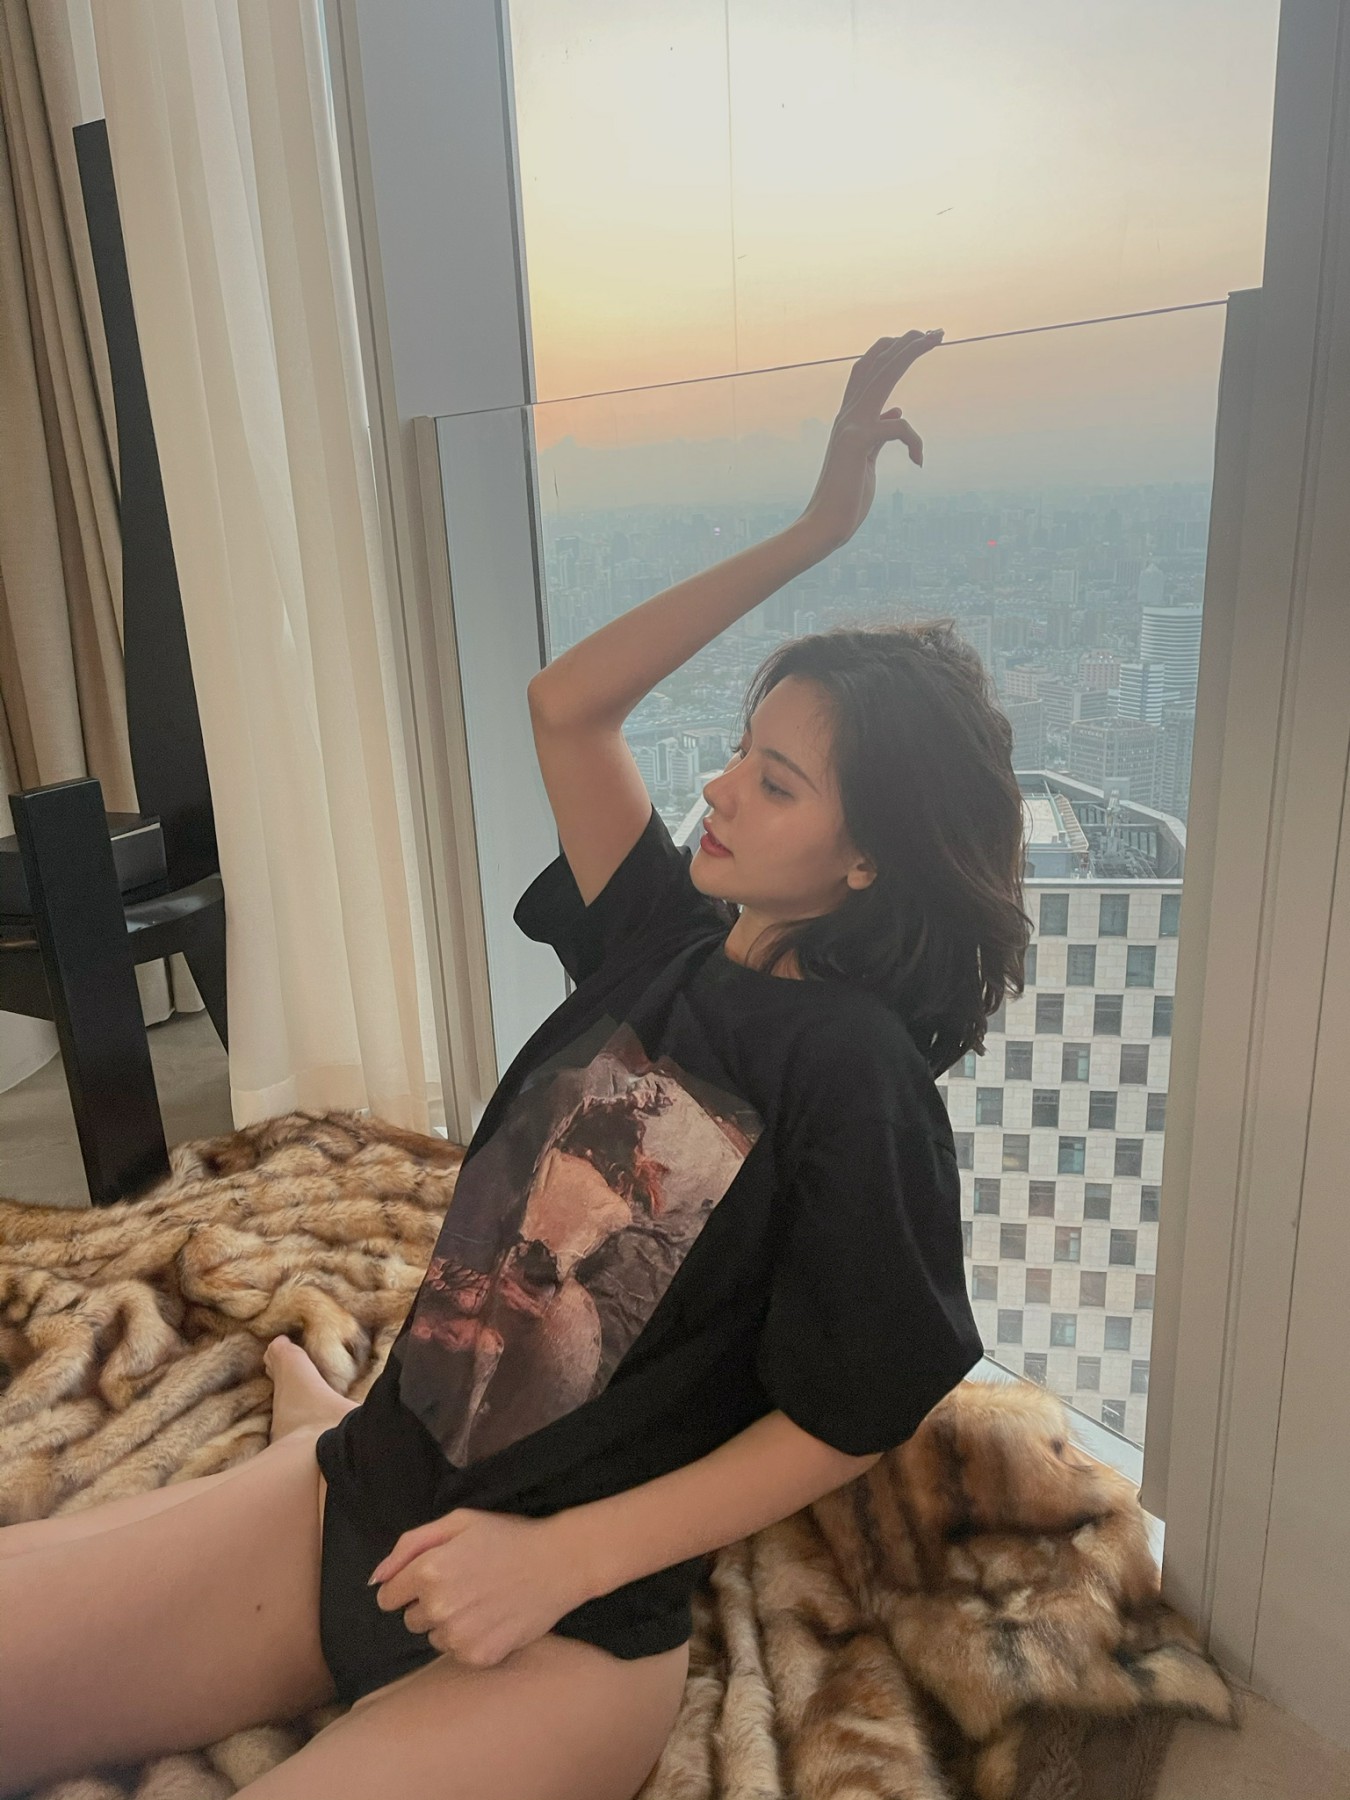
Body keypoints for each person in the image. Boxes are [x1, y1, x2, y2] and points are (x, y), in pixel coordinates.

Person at [0, 330, 1029, 1800]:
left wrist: (562, 1560)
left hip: (565, 1631)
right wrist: (817, 530)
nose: (720, 787)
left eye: (776, 781)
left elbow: (852, 1410)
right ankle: (312, 1428)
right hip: (361, 1499)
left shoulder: (855, 1074)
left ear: (868, 858)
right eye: (741, 750)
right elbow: (568, 704)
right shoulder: (660, 939)